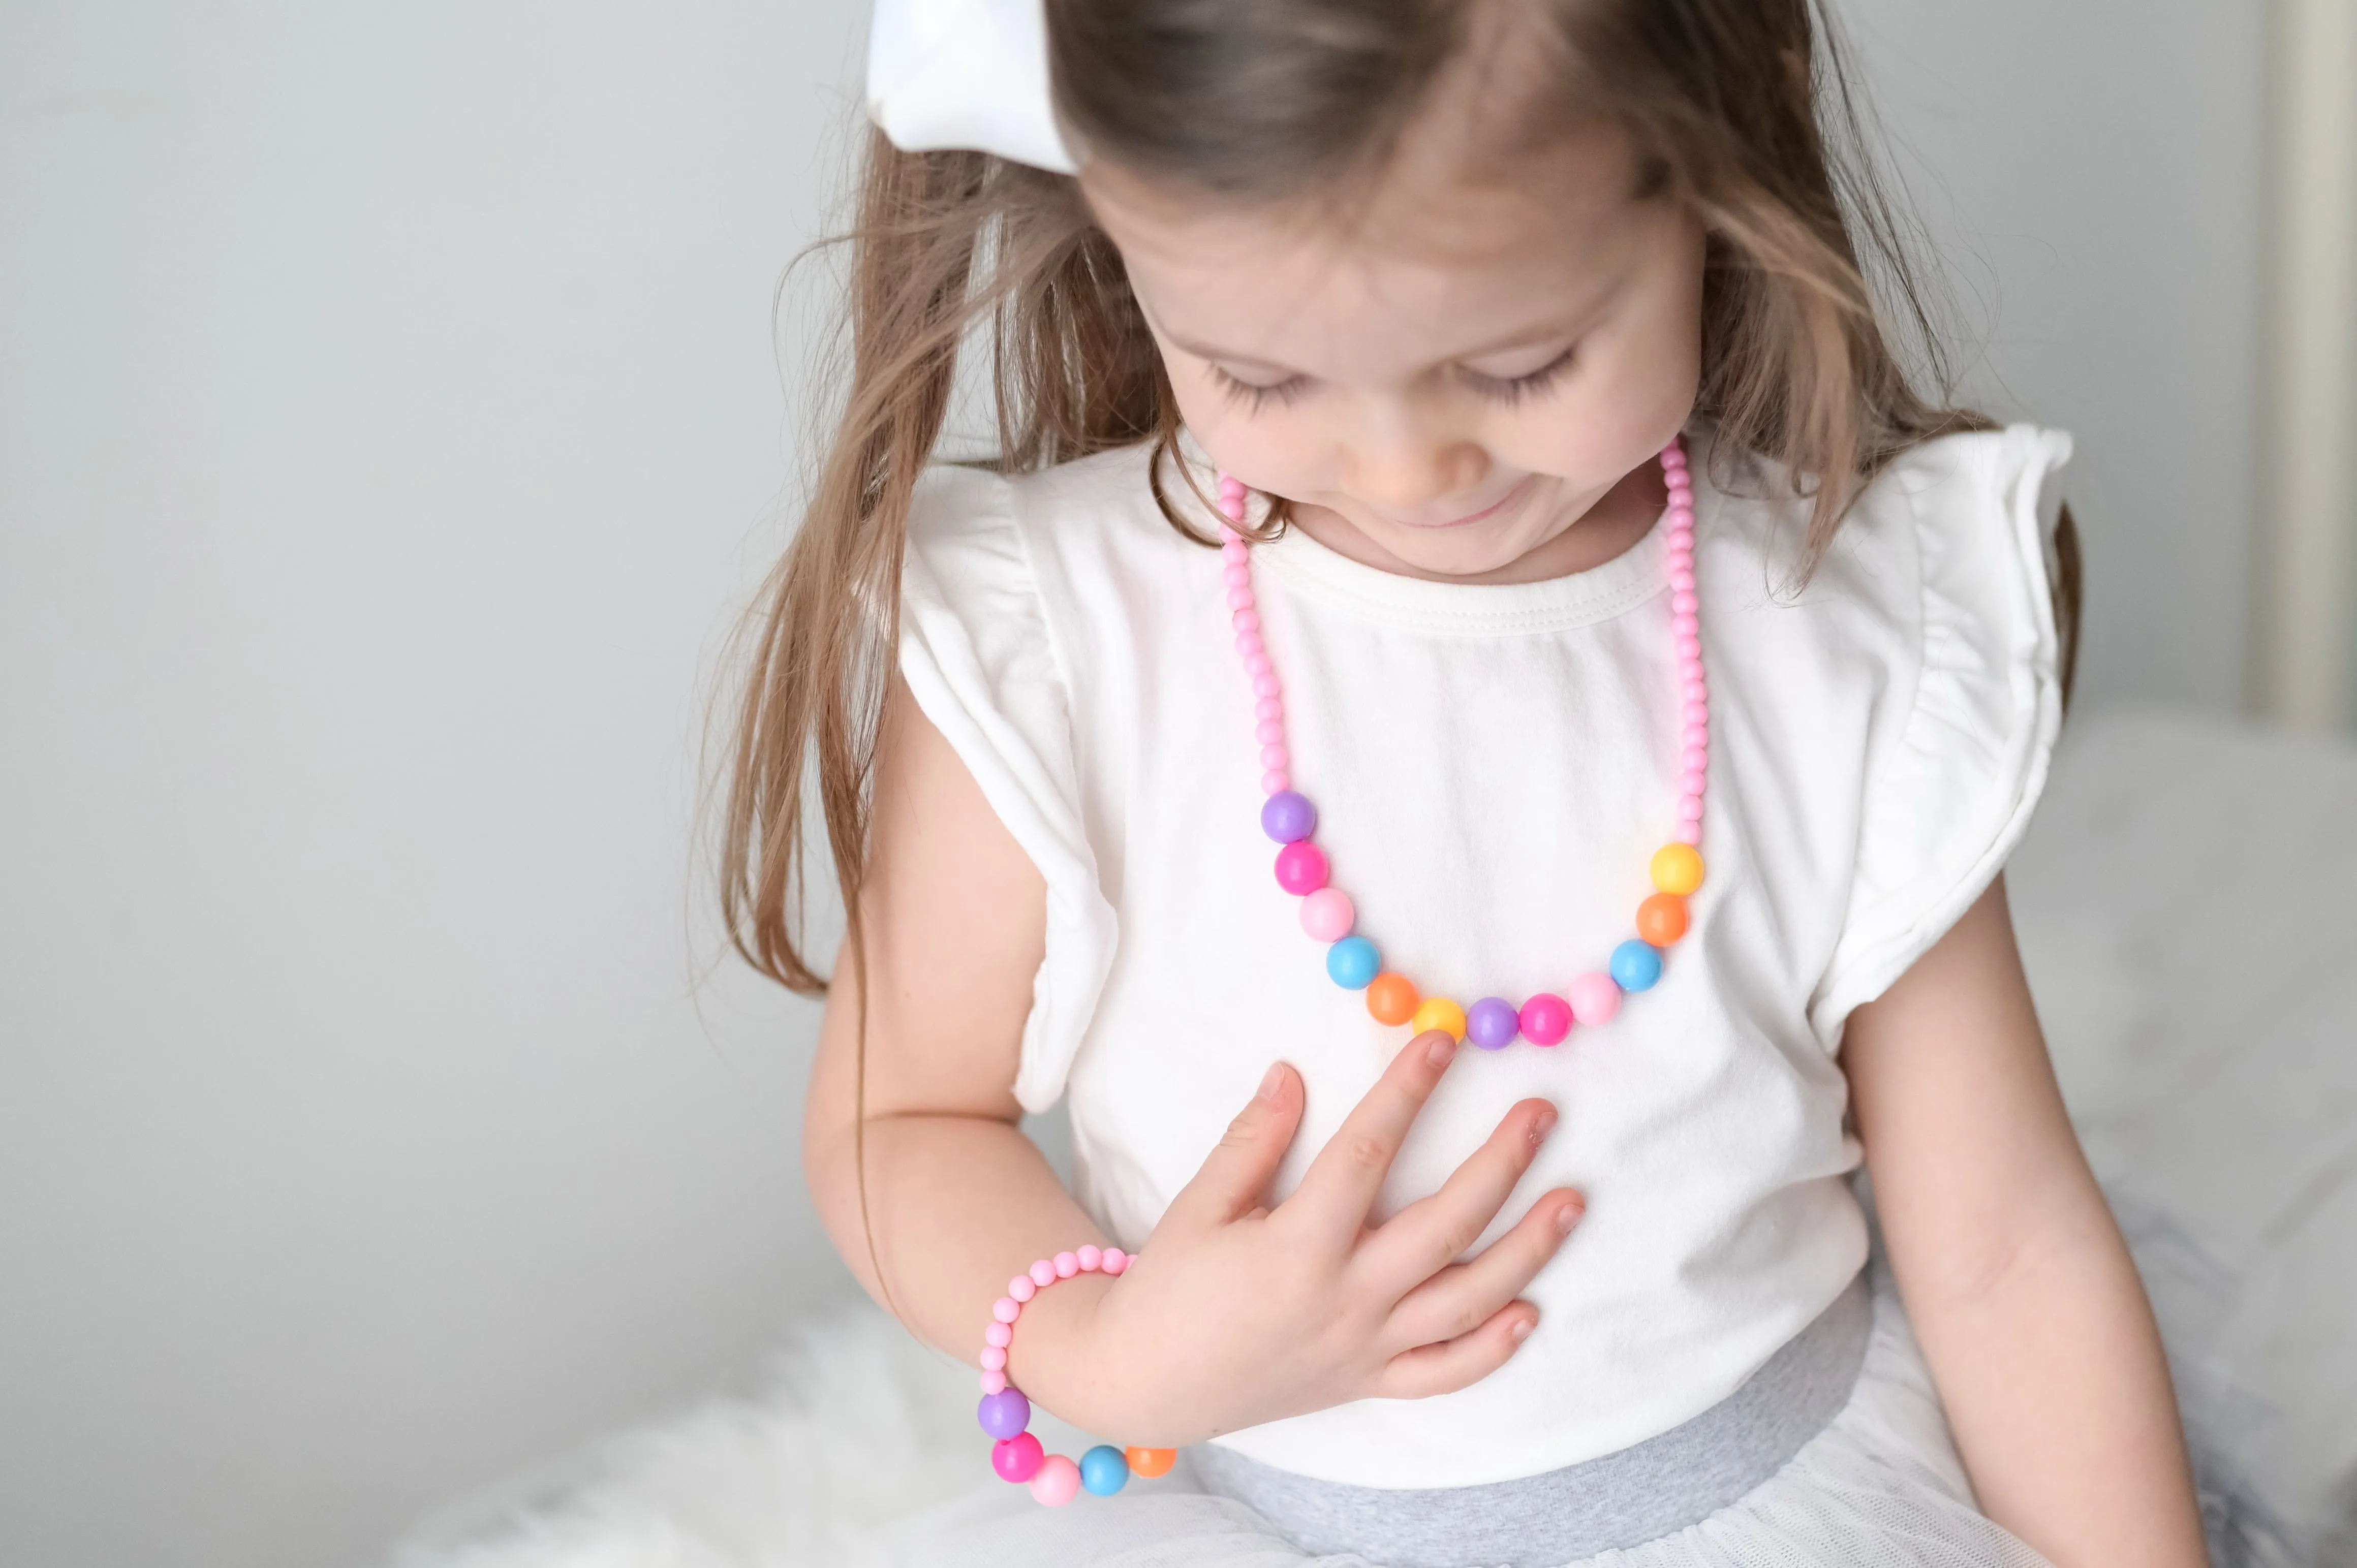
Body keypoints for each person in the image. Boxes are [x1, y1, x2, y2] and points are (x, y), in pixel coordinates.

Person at [720, 1, 2217, 1562]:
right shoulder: (1062, 640)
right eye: (1261, 373)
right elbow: (895, 1123)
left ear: (1703, 165)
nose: (1405, 464)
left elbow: (2005, 1247)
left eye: (1518, 362)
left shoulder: (1834, 622)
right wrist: (1111, 1348)